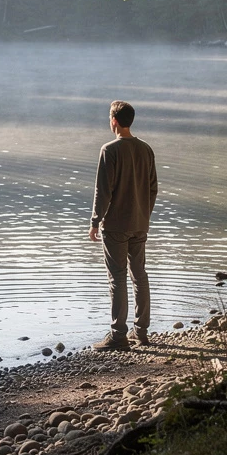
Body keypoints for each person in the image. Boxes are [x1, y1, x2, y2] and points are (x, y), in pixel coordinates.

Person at [88, 100, 157, 351]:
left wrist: (95, 221)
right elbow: (153, 188)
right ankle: (141, 332)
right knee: (139, 276)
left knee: (117, 278)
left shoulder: (110, 150)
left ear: (114, 121)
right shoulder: (146, 149)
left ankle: (118, 335)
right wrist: (143, 215)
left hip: (116, 226)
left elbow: (103, 191)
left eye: (110, 118)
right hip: (140, 224)